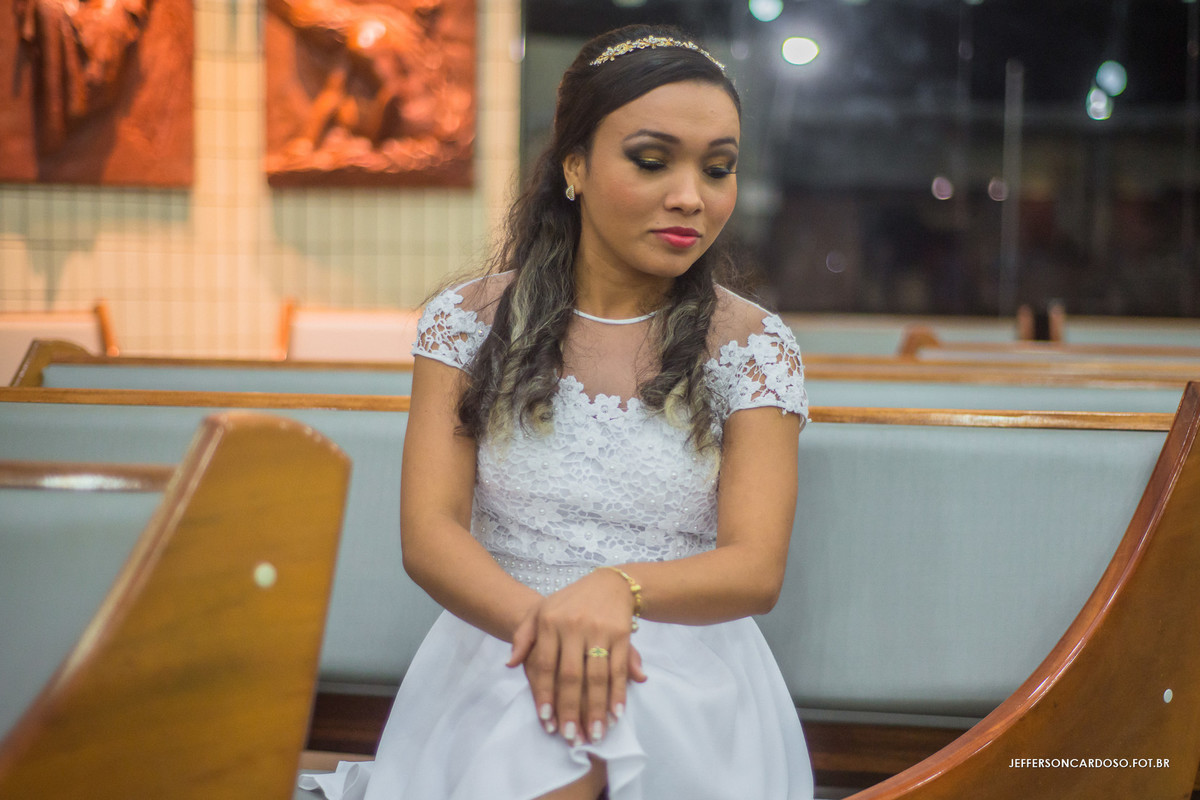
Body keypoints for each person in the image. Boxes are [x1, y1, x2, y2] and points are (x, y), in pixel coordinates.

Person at [300, 23, 813, 800]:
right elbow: (430, 532)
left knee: (594, 732)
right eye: (652, 160)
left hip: (679, 668)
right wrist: (548, 633)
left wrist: (619, 589)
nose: (691, 196)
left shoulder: (754, 345)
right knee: (547, 734)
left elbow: (755, 566)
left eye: (718, 168)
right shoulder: (466, 323)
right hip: (501, 644)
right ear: (574, 164)